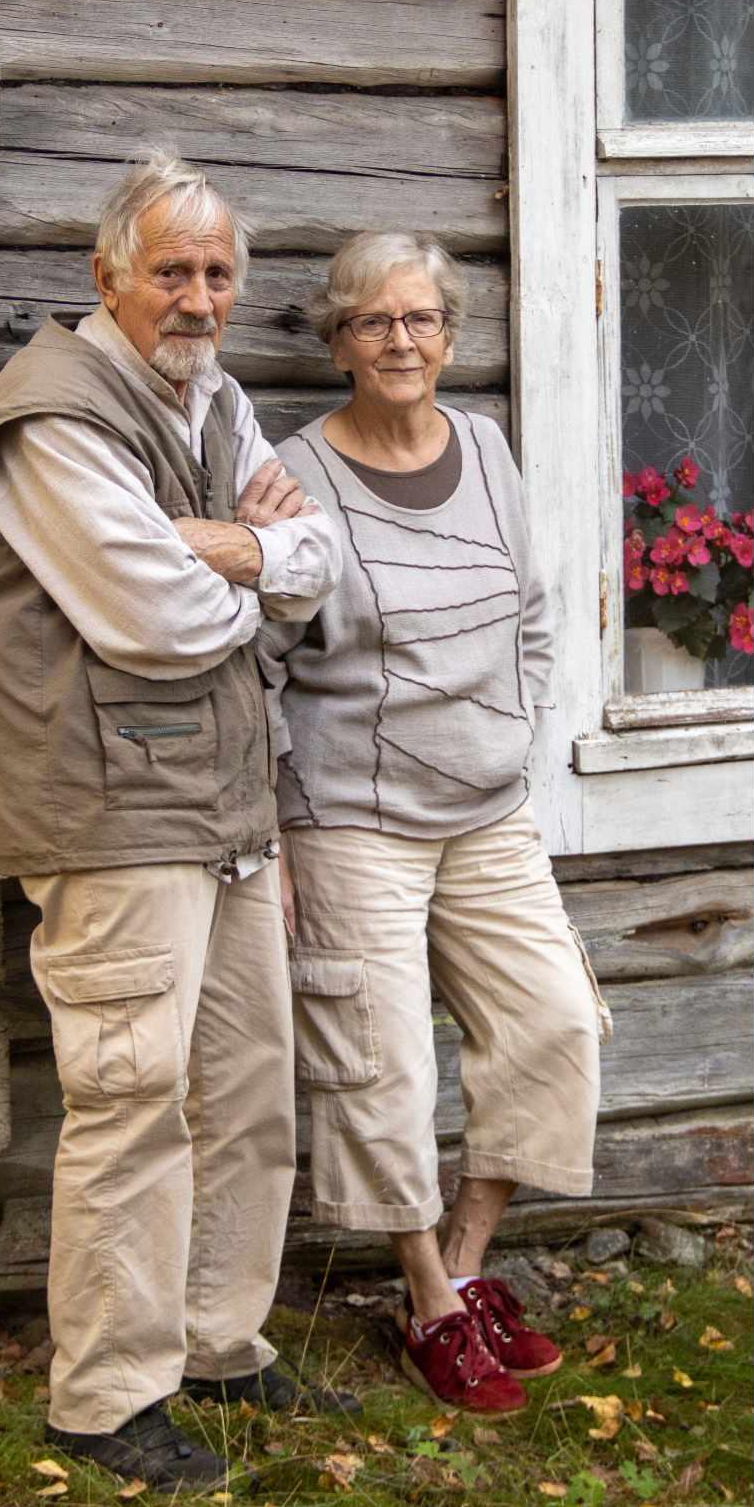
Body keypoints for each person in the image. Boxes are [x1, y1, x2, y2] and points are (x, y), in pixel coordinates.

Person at [0, 150, 355, 1488]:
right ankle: (108, 1399)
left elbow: (313, 562)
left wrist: (240, 547)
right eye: (170, 270)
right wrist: (242, 555)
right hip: (111, 812)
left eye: (218, 273)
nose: (197, 297)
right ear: (105, 275)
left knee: (246, 1091)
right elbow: (154, 616)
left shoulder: (211, 395)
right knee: (131, 1101)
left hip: (224, 800)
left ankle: (216, 1338)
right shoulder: (50, 420)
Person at [261, 230, 608, 1418]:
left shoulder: (489, 446)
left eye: (420, 319)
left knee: (554, 1020)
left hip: (489, 811)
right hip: (355, 819)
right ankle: (427, 1307)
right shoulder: (298, 476)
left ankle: (462, 1257)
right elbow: (259, 662)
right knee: (383, 1069)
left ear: (451, 335)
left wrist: (518, 732)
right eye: (372, 322)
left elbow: (532, 612)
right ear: (338, 339)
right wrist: (286, 823)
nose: (400, 341)